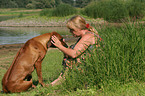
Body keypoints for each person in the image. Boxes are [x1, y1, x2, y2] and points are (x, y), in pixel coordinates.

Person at [50, 15, 103, 86]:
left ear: (79, 28)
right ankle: (60, 80)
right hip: (89, 62)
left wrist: (59, 46)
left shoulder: (88, 37)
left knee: (70, 58)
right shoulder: (86, 35)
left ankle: (61, 80)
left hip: (91, 65)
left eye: (72, 30)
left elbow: (74, 54)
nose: (71, 32)